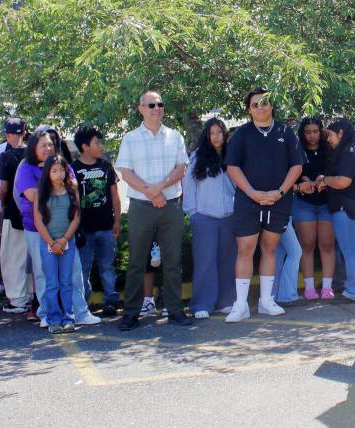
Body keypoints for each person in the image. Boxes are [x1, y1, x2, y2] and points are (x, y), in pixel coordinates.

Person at [224, 87, 302, 322]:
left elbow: (296, 166)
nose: (261, 107)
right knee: (245, 250)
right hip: (249, 202)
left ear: (272, 106)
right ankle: (241, 305)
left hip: (279, 201)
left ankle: (266, 301)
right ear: (249, 109)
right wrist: (252, 193)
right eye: (255, 104)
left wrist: (279, 192)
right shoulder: (241, 135)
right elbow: (232, 167)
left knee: (270, 249)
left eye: (264, 103)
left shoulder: (287, 132)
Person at [116, 91, 191, 330]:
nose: (156, 108)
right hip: (141, 207)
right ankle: (131, 313)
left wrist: (159, 188)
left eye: (160, 104)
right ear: (140, 108)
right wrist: (151, 192)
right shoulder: (130, 138)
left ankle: (175, 310)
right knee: (137, 261)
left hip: (170, 206)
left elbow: (181, 168)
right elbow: (125, 172)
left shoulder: (174, 136)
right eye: (151, 105)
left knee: (172, 260)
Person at [15, 128, 100, 327]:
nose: (47, 148)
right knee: (44, 273)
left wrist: (54, 180)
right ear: (33, 147)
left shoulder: (63, 165)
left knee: (74, 272)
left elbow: (73, 190)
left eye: (50, 145)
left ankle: (79, 312)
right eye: (42, 145)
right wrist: (53, 183)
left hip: (66, 230)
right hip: (39, 230)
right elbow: (32, 195)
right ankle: (47, 313)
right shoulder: (26, 168)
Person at [182, 118, 237, 318]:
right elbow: (189, 188)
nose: (216, 137)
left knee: (227, 261)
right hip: (204, 217)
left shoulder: (232, 157)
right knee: (205, 262)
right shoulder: (197, 158)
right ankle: (202, 304)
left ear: (225, 134)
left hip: (229, 217)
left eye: (220, 132)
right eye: (212, 133)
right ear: (207, 135)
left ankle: (225, 301)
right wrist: (193, 213)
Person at [71, 125, 122, 316]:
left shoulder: (106, 166)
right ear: (85, 146)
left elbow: (115, 195)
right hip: (84, 228)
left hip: (105, 226)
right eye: (97, 142)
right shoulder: (73, 169)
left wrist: (117, 220)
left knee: (107, 265)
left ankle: (111, 300)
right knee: (83, 267)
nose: (101, 146)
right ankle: (83, 303)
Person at [322, 118, 355, 302]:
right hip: (353, 206)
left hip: (346, 208)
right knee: (351, 250)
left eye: (330, 135)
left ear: (340, 133)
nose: (328, 139)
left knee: (350, 250)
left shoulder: (350, 151)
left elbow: (343, 181)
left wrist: (325, 180)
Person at [34, 154, 81, 334]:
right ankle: (53, 319)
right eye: (54, 171)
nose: (59, 174)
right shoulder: (41, 192)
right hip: (48, 242)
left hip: (67, 240)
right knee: (52, 282)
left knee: (66, 281)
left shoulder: (72, 188)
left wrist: (64, 239)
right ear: (47, 172)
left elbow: (77, 217)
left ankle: (68, 317)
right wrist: (52, 243)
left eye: (62, 170)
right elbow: (38, 221)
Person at [293, 117, 336, 300]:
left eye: (315, 131)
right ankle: (309, 288)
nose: (312, 135)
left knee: (327, 245)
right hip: (304, 204)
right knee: (307, 245)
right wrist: (302, 180)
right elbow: (291, 175)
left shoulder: (330, 150)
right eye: (308, 132)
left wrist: (323, 179)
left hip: (327, 203)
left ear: (321, 132)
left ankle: (327, 287)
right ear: (303, 133)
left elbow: (336, 173)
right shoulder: (296, 151)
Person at [0, 119, 32, 315]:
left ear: (7, 134)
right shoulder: (33, 153)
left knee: (12, 257)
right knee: (31, 257)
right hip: (34, 213)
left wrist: (0, 206)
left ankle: (18, 300)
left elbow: (3, 187)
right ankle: (31, 296)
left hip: (13, 211)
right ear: (24, 132)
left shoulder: (6, 156)